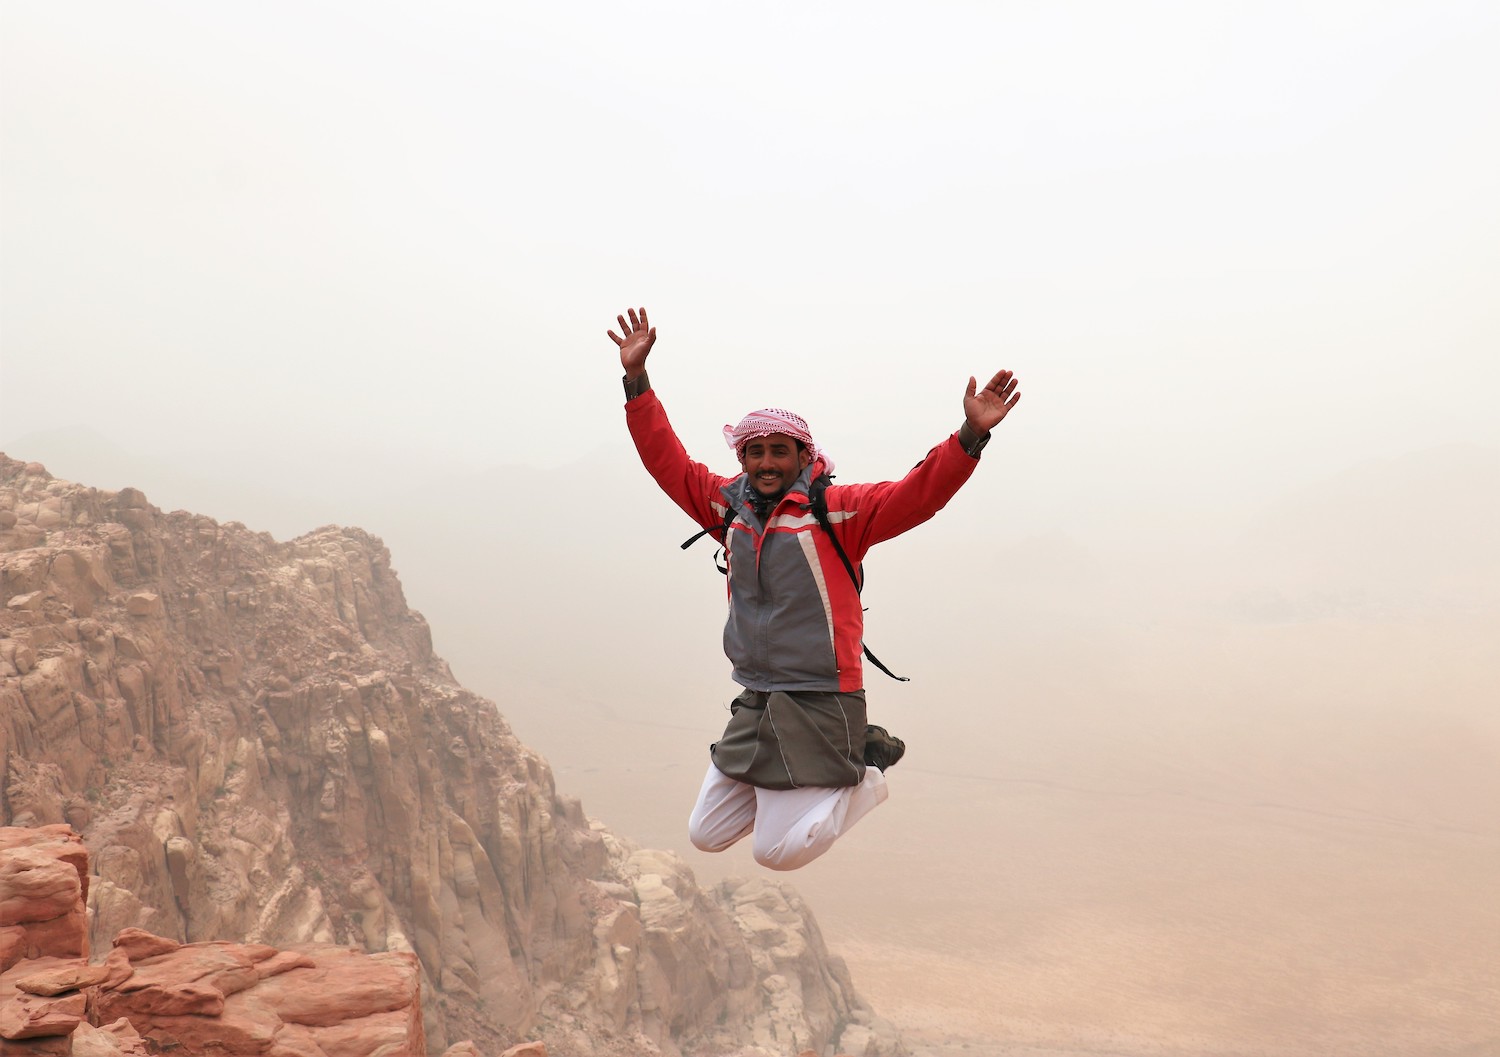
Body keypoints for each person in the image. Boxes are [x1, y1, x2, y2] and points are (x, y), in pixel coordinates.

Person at [610, 306, 1020, 871]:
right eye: (756, 452)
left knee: (773, 854)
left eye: (780, 451)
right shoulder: (729, 512)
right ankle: (794, 778)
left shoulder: (838, 512)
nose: (766, 463)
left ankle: (863, 774)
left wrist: (970, 436)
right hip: (757, 697)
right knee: (705, 833)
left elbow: (916, 495)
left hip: (822, 697)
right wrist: (637, 382)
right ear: (744, 458)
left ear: (804, 457)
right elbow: (667, 461)